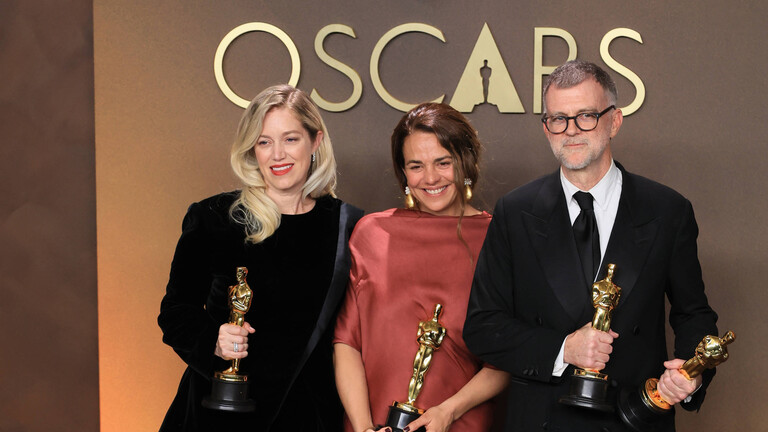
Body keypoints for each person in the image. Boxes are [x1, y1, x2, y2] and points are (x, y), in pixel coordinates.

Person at [463, 60, 719, 431]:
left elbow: (693, 314)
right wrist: (563, 348)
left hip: (633, 416)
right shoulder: (515, 212)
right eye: (558, 119)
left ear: (614, 121)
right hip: (542, 418)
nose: (571, 131)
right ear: (546, 128)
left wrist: (692, 374)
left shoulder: (667, 210)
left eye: (586, 116)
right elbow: (483, 327)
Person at [157, 84, 363, 431]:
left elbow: (357, 335)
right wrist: (214, 342)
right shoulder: (214, 216)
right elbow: (175, 311)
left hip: (308, 415)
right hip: (221, 412)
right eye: (264, 141)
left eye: (291, 139)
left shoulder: (348, 225)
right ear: (253, 150)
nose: (277, 154)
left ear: (315, 141)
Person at [334, 103, 509, 432]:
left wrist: (449, 411)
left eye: (443, 162)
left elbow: (509, 357)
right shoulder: (372, 234)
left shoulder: (498, 238)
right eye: (416, 166)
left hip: (462, 423)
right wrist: (361, 428)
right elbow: (347, 342)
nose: (430, 178)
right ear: (403, 174)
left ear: (465, 162)